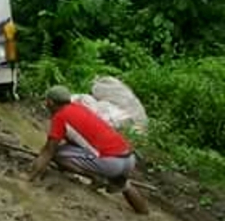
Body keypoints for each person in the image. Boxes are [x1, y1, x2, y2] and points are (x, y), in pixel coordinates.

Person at [29, 85, 149, 214]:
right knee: (123, 184)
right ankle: (143, 213)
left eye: (46, 102)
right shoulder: (79, 107)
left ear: (50, 102)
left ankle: (97, 177)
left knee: (58, 154)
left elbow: (48, 151)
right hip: (128, 158)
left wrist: (30, 178)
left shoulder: (60, 117)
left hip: (111, 162)